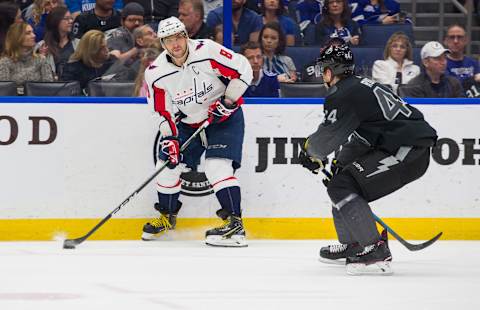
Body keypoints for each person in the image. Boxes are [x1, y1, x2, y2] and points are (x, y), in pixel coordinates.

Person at [299, 43, 437, 275]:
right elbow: (364, 136)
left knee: (342, 185)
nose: (323, 74)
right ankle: (355, 244)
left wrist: (310, 153)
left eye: (324, 69)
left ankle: (374, 248)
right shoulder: (359, 87)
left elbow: (327, 137)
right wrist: (339, 163)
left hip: (408, 150)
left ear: (331, 70)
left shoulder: (343, 94)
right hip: (402, 146)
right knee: (340, 180)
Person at [143, 17, 253, 247]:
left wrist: (229, 100)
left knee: (216, 166)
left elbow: (243, 69)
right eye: (169, 40)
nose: (176, 44)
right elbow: (162, 111)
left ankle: (235, 224)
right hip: (189, 123)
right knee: (165, 165)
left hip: (224, 119)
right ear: (162, 43)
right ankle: (167, 216)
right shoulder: (156, 73)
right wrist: (170, 137)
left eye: (179, 37)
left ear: (186, 35)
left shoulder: (207, 51)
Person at [0, 22, 54, 94]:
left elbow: (49, 89)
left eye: (33, 32)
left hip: (37, 103)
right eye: (28, 33)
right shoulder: (5, 62)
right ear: (17, 37)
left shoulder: (41, 60)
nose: (34, 35)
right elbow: (4, 91)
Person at [398, 41, 465, 98]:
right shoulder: (414, 86)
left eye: (444, 58)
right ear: (425, 62)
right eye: (438, 58)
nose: (443, 62)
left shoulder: (454, 84)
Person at [36, 6, 78, 78]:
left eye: (71, 18)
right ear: (56, 21)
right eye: (66, 19)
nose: (71, 21)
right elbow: (35, 71)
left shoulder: (78, 44)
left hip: (73, 86)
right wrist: (41, 56)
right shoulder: (41, 46)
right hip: (50, 87)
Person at [443, 24, 480, 96]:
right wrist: (474, 79)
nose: (456, 41)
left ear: (466, 40)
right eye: (452, 37)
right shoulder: (441, 63)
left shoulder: (473, 63)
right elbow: (451, 85)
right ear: (445, 41)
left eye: (459, 37)